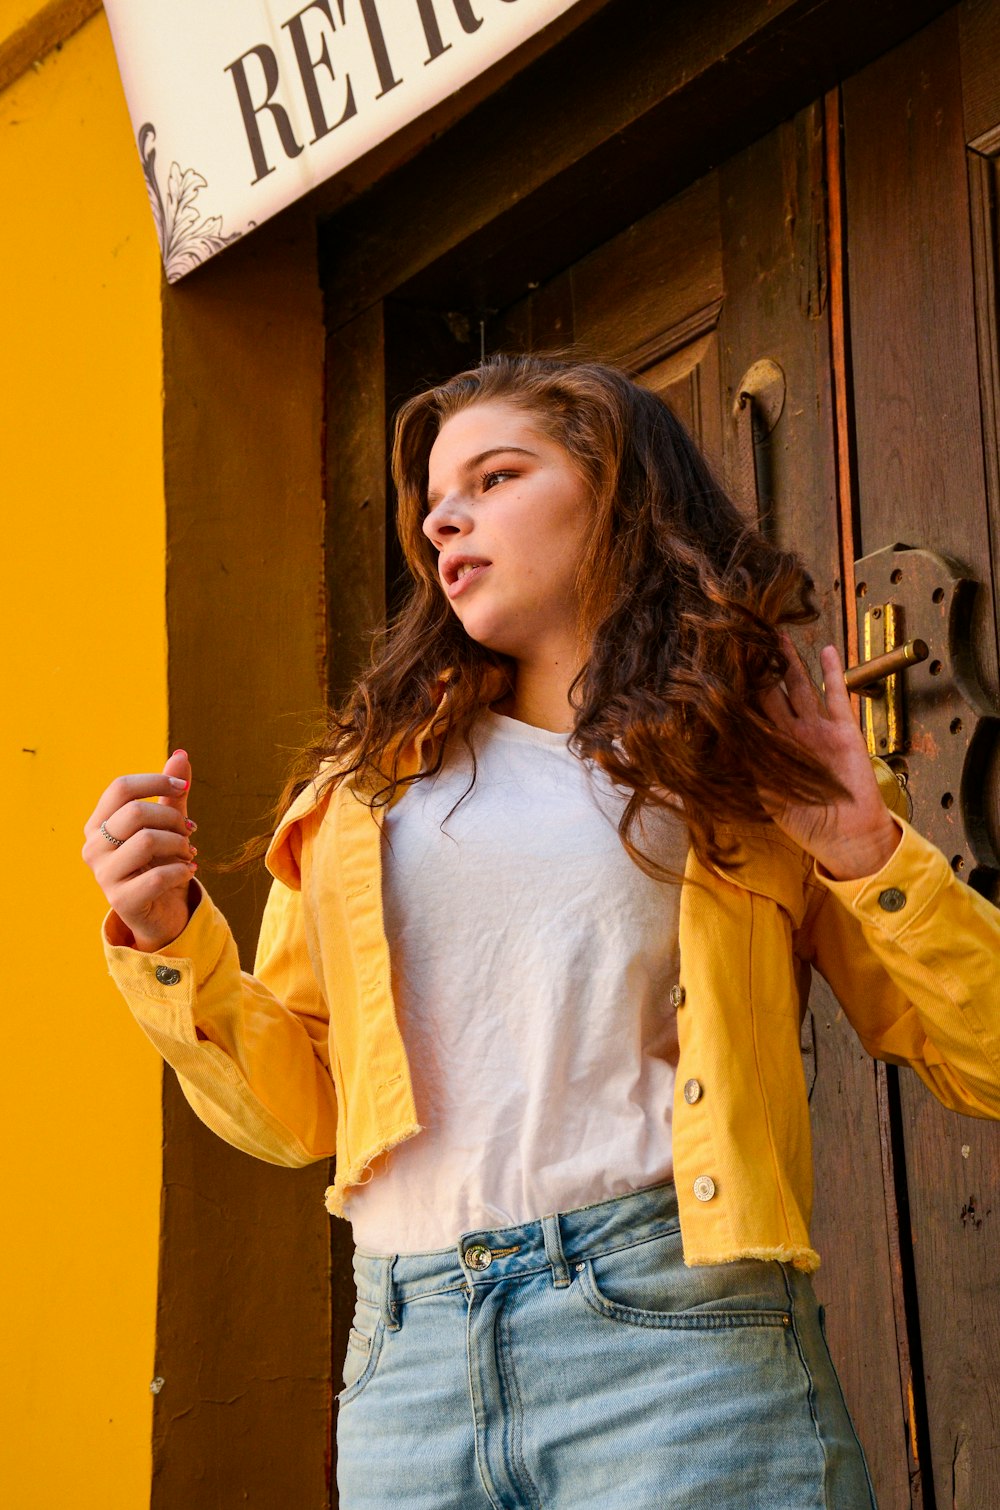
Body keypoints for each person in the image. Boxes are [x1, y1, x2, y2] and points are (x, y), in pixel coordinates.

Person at [84, 355, 1000, 1508]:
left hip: (676, 1343)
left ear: (616, 492)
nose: (444, 516)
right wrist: (171, 938)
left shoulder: (746, 773)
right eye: (433, 503)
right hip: (407, 1361)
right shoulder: (364, 794)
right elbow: (301, 1114)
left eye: (495, 475)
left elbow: (982, 1061)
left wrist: (863, 853)